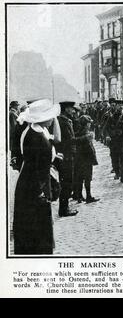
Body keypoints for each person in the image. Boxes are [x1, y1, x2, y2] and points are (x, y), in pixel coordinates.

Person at [13, 99, 61, 254]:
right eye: (50, 116)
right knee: (37, 226)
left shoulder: (36, 131)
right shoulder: (36, 136)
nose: (52, 119)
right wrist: (40, 191)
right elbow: (36, 166)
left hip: (32, 183)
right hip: (34, 187)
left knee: (35, 226)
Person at [55, 101, 79, 217]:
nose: (73, 111)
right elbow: (69, 141)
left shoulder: (64, 121)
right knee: (67, 183)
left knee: (67, 182)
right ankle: (64, 209)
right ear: (66, 110)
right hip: (67, 157)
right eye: (71, 109)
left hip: (67, 155)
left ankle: (64, 207)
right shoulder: (63, 123)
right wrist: (85, 138)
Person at [74, 115, 100, 204]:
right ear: (86, 124)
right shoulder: (85, 133)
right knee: (87, 178)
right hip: (86, 158)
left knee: (80, 178)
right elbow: (89, 147)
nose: (90, 125)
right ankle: (88, 196)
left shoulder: (78, 132)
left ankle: (79, 196)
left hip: (79, 159)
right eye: (89, 123)